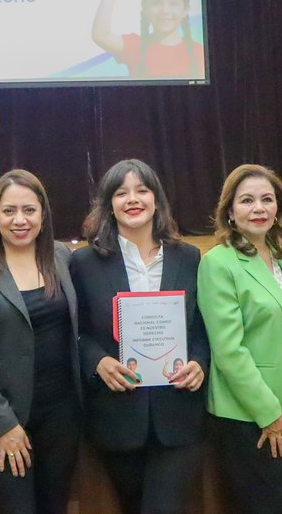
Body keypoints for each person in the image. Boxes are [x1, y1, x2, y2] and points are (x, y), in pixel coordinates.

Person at [70, 159, 209, 514]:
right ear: (109, 204)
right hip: (117, 418)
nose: (133, 199)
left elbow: (202, 330)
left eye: (142, 190)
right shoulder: (85, 263)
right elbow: (76, 333)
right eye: (121, 193)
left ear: (156, 199)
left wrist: (199, 363)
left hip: (178, 415)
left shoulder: (189, 258)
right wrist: (98, 362)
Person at [0, 169, 81, 514]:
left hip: (62, 415)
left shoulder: (61, 257)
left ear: (43, 214)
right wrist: (3, 424)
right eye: (9, 211)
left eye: (29, 210)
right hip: (2, 417)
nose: (19, 220)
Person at [197, 164, 282, 514]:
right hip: (252, 410)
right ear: (230, 211)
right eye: (247, 200)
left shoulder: (281, 257)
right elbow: (228, 350)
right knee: (266, 504)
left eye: (267, 199)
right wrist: (267, 412)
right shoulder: (218, 263)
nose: (259, 208)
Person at [91, 0, 204, 79]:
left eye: (173, 3)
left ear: (185, 10)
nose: (165, 11)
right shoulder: (135, 46)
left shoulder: (200, 52)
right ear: (144, 8)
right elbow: (101, 36)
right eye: (156, 3)